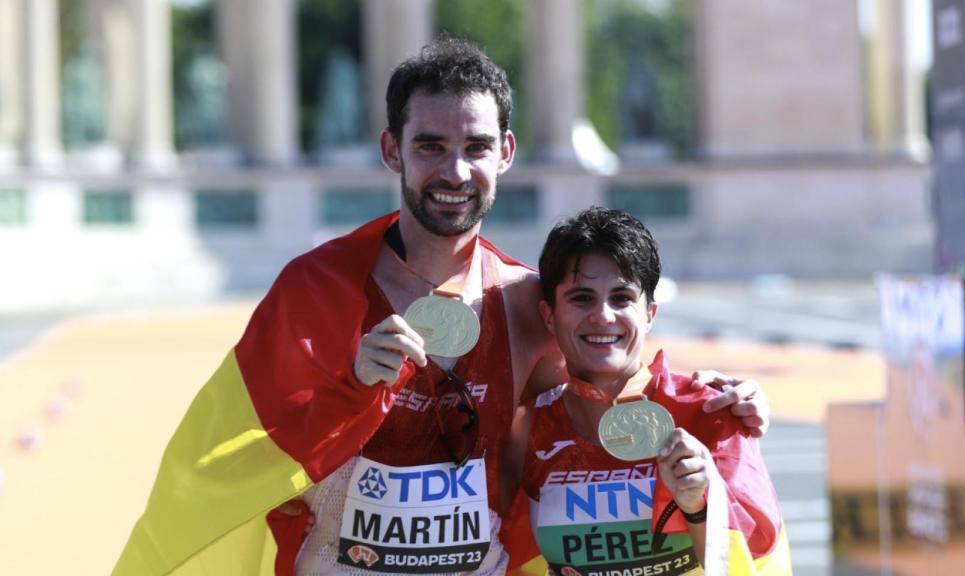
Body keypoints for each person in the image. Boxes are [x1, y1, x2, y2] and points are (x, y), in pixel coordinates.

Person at [113, 38, 769, 576]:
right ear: (392, 149)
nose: (455, 170)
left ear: (505, 154)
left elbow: (609, 406)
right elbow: (233, 455)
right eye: (430, 146)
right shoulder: (317, 290)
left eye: (476, 147)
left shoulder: (527, 303)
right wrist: (349, 389)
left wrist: (714, 407)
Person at [513, 207, 791, 575]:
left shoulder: (711, 414)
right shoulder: (526, 431)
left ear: (650, 314)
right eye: (582, 298)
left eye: (622, 297)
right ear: (549, 315)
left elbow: (761, 564)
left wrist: (700, 507)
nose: (603, 315)